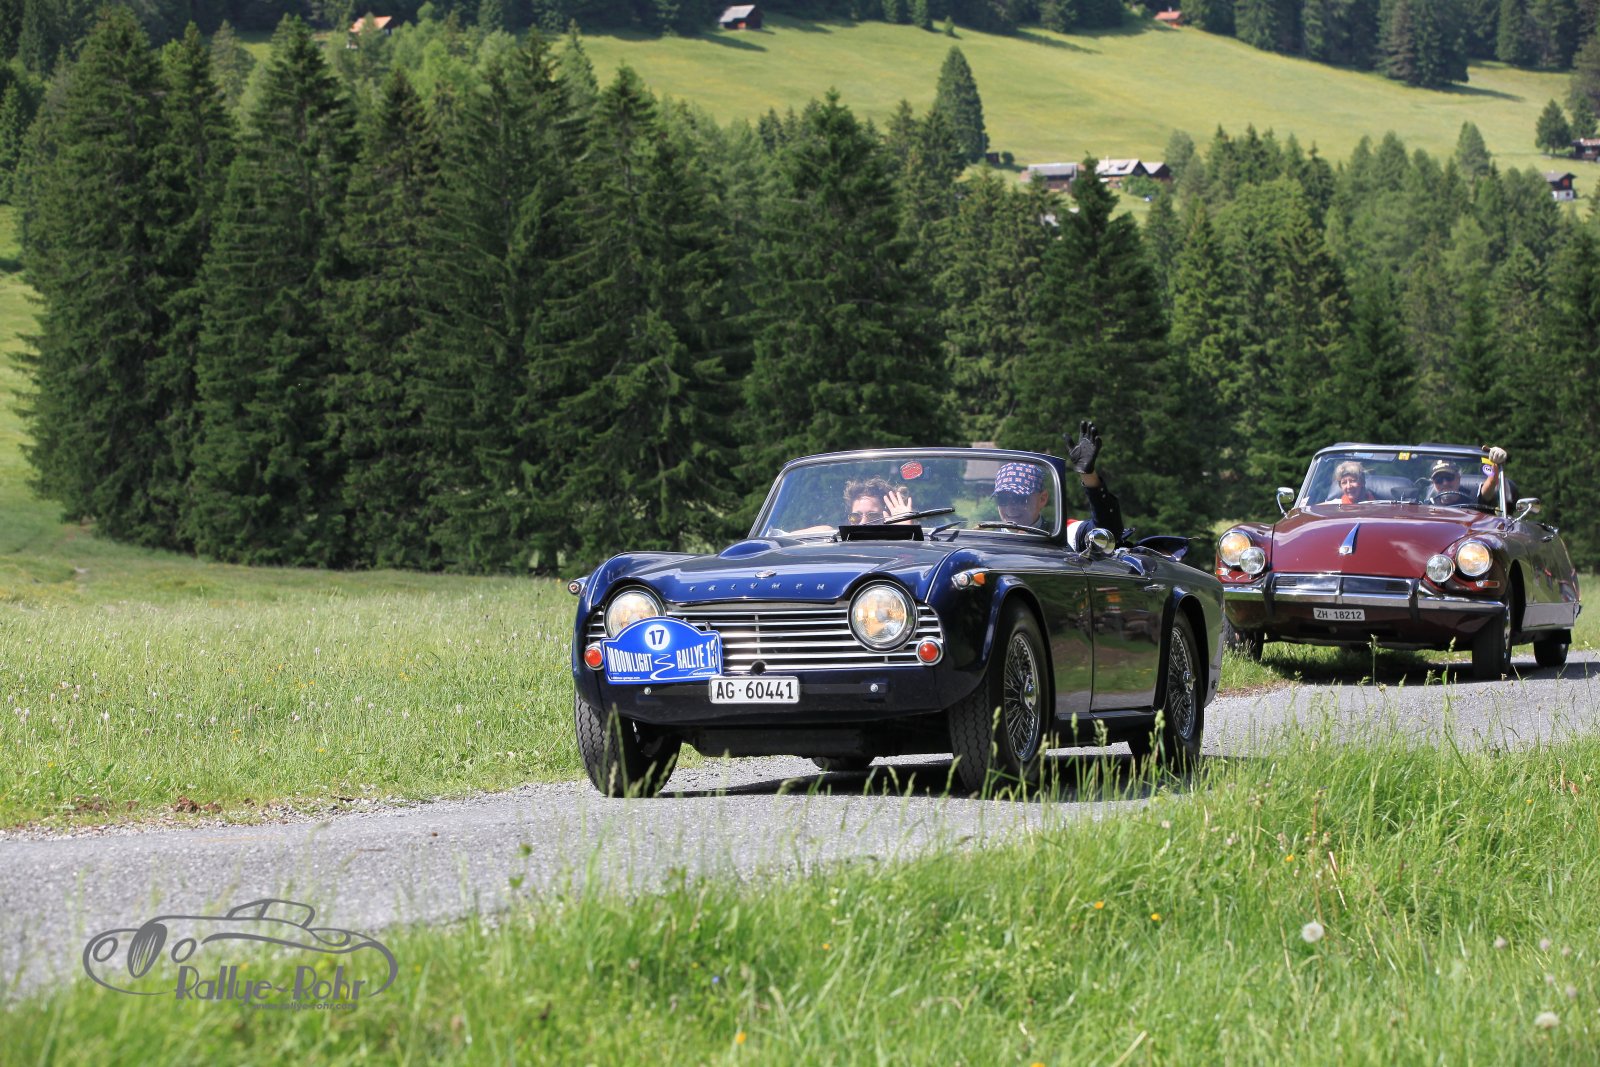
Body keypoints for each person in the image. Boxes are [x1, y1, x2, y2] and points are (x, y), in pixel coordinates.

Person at [992, 419, 1123, 548]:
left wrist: (1088, 474)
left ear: (1042, 499)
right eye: (1002, 499)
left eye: (1019, 499)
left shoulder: (1065, 534)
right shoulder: (985, 539)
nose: (1010, 507)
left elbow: (1107, 534)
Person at [1428, 447, 1514, 508]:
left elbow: (1492, 481)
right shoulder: (1428, 506)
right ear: (1433, 483)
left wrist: (1495, 459)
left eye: (1449, 477)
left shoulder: (1475, 499)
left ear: (1458, 477)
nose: (1445, 483)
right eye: (1438, 480)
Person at [842, 477, 913, 526]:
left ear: (889, 517)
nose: (862, 523)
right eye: (855, 517)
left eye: (873, 516)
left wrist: (903, 529)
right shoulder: (839, 541)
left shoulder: (898, 543)